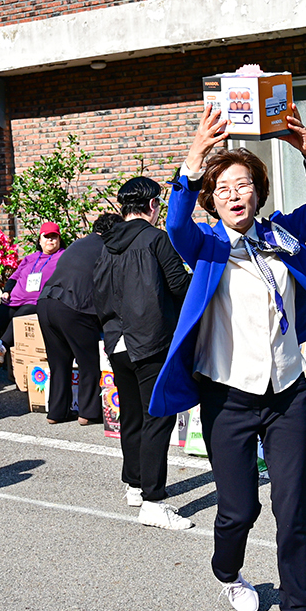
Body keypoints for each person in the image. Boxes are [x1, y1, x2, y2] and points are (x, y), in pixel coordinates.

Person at [149, 103, 306, 611]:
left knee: (294, 507)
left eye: (244, 185)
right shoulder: (206, 245)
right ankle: (228, 572)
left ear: (259, 193)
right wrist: (194, 160)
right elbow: (174, 225)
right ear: (212, 201)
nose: (235, 194)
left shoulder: (282, 235)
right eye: (223, 189)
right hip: (227, 397)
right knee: (239, 509)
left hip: (287, 393)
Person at [95, 177, 191, 529]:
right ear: (152, 205)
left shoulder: (106, 244)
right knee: (158, 417)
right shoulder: (155, 239)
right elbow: (179, 285)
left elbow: (98, 292)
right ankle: (153, 501)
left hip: (116, 340)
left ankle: (134, 484)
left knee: (132, 415)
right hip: (150, 340)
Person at [37, 213, 118, 425]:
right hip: (73, 306)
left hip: (46, 302)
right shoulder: (108, 247)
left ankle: (56, 412)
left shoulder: (78, 244)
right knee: (88, 361)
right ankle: (88, 413)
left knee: (58, 362)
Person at [0, 222, 64, 363]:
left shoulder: (63, 257)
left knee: (20, 317)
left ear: (59, 240)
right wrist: (7, 291)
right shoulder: (30, 258)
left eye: (54, 236)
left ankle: (0, 347)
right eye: (46, 236)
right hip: (15, 300)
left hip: (37, 302)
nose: (50, 240)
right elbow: (14, 277)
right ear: (40, 240)